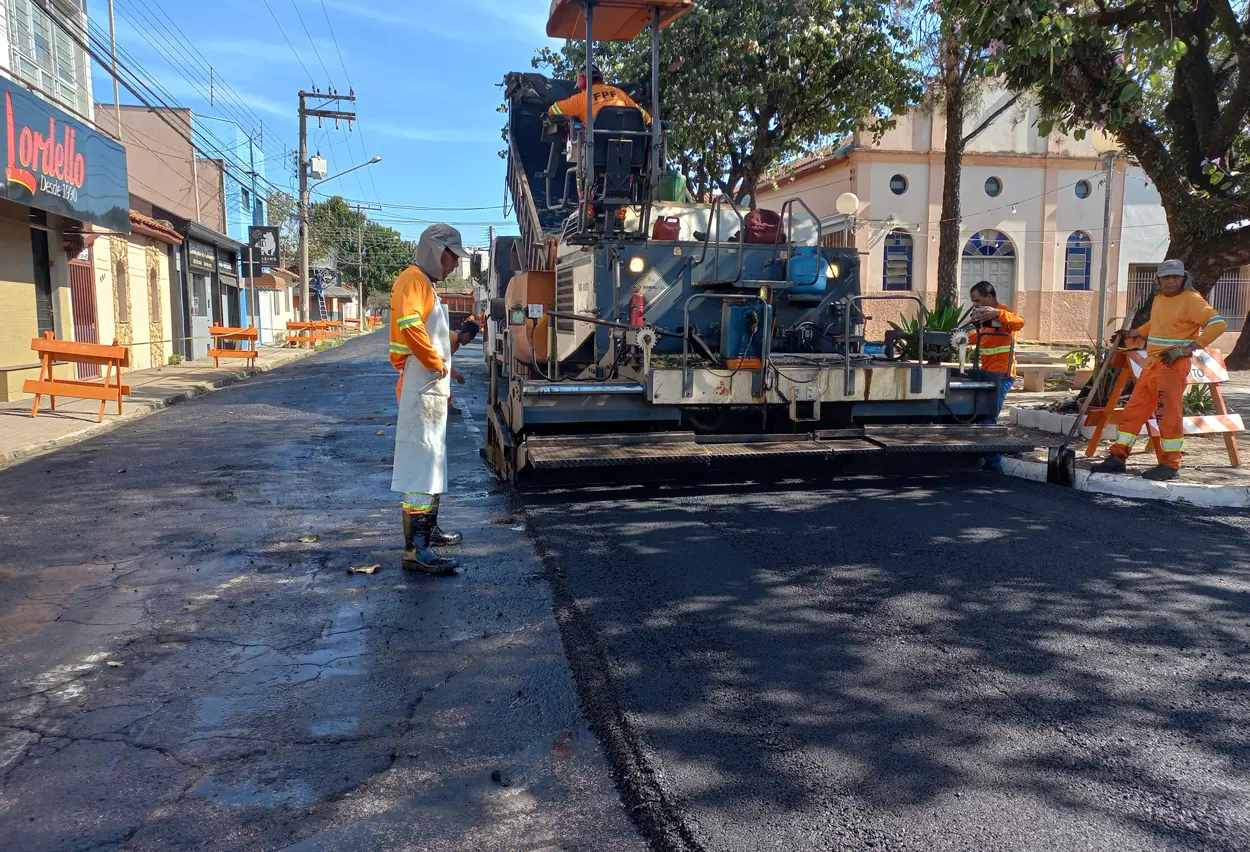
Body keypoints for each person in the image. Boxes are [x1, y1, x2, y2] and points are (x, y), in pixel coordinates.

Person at [1091, 259, 1226, 481]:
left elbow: (1218, 324)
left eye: (1175, 277)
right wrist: (1133, 333)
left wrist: (1188, 348)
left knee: (1168, 414)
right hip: (1152, 364)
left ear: (1184, 278)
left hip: (1173, 364)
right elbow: (1156, 324)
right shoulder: (1159, 299)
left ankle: (1170, 464)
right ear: (1159, 280)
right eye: (1166, 277)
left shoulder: (1192, 300)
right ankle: (1118, 457)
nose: (1171, 281)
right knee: (1134, 411)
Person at [389, 224, 469, 576]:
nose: (454, 266)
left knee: (433, 461)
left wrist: (465, 335)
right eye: (453, 258)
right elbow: (411, 326)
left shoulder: (427, 286)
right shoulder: (412, 280)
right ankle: (415, 548)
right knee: (419, 466)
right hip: (420, 384)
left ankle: (429, 530)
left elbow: (435, 337)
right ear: (438, 251)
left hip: (430, 386)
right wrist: (437, 363)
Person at [967, 281, 1026, 472]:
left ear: (989, 297)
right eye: (973, 301)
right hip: (987, 373)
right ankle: (987, 459)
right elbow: (978, 337)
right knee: (981, 417)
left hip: (1002, 375)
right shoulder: (985, 320)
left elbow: (1020, 322)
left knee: (988, 418)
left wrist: (997, 314)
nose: (975, 304)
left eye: (977, 300)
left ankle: (994, 464)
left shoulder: (1004, 313)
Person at [548, 65, 651, 126]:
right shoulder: (619, 93)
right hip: (627, 150)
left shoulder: (582, 98)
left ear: (581, 81)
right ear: (601, 77)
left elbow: (553, 110)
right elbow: (644, 116)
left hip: (596, 152)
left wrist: (564, 121)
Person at [446, 320, 481, 417]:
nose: (468, 342)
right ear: (466, 334)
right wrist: (457, 376)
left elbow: (446, 362)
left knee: (444, 381)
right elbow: (442, 362)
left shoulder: (456, 343)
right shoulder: (448, 338)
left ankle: (447, 405)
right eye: (469, 339)